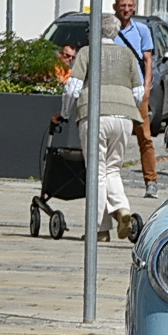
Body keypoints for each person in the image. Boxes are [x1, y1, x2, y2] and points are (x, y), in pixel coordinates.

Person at [70, 13, 140, 240]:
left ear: (95, 32)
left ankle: (97, 230)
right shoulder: (127, 54)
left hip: (95, 115)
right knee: (113, 168)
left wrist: (64, 112)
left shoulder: (87, 52)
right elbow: (139, 91)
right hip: (125, 115)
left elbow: (73, 87)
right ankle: (122, 209)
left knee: (97, 173)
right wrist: (126, 106)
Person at [114, 0, 160, 198]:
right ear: (115, 7)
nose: (126, 9)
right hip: (115, 90)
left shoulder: (142, 30)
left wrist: (147, 87)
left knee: (145, 137)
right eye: (122, 5)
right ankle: (108, 180)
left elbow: (148, 60)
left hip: (136, 90)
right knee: (113, 135)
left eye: (130, 5)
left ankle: (151, 181)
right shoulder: (109, 30)